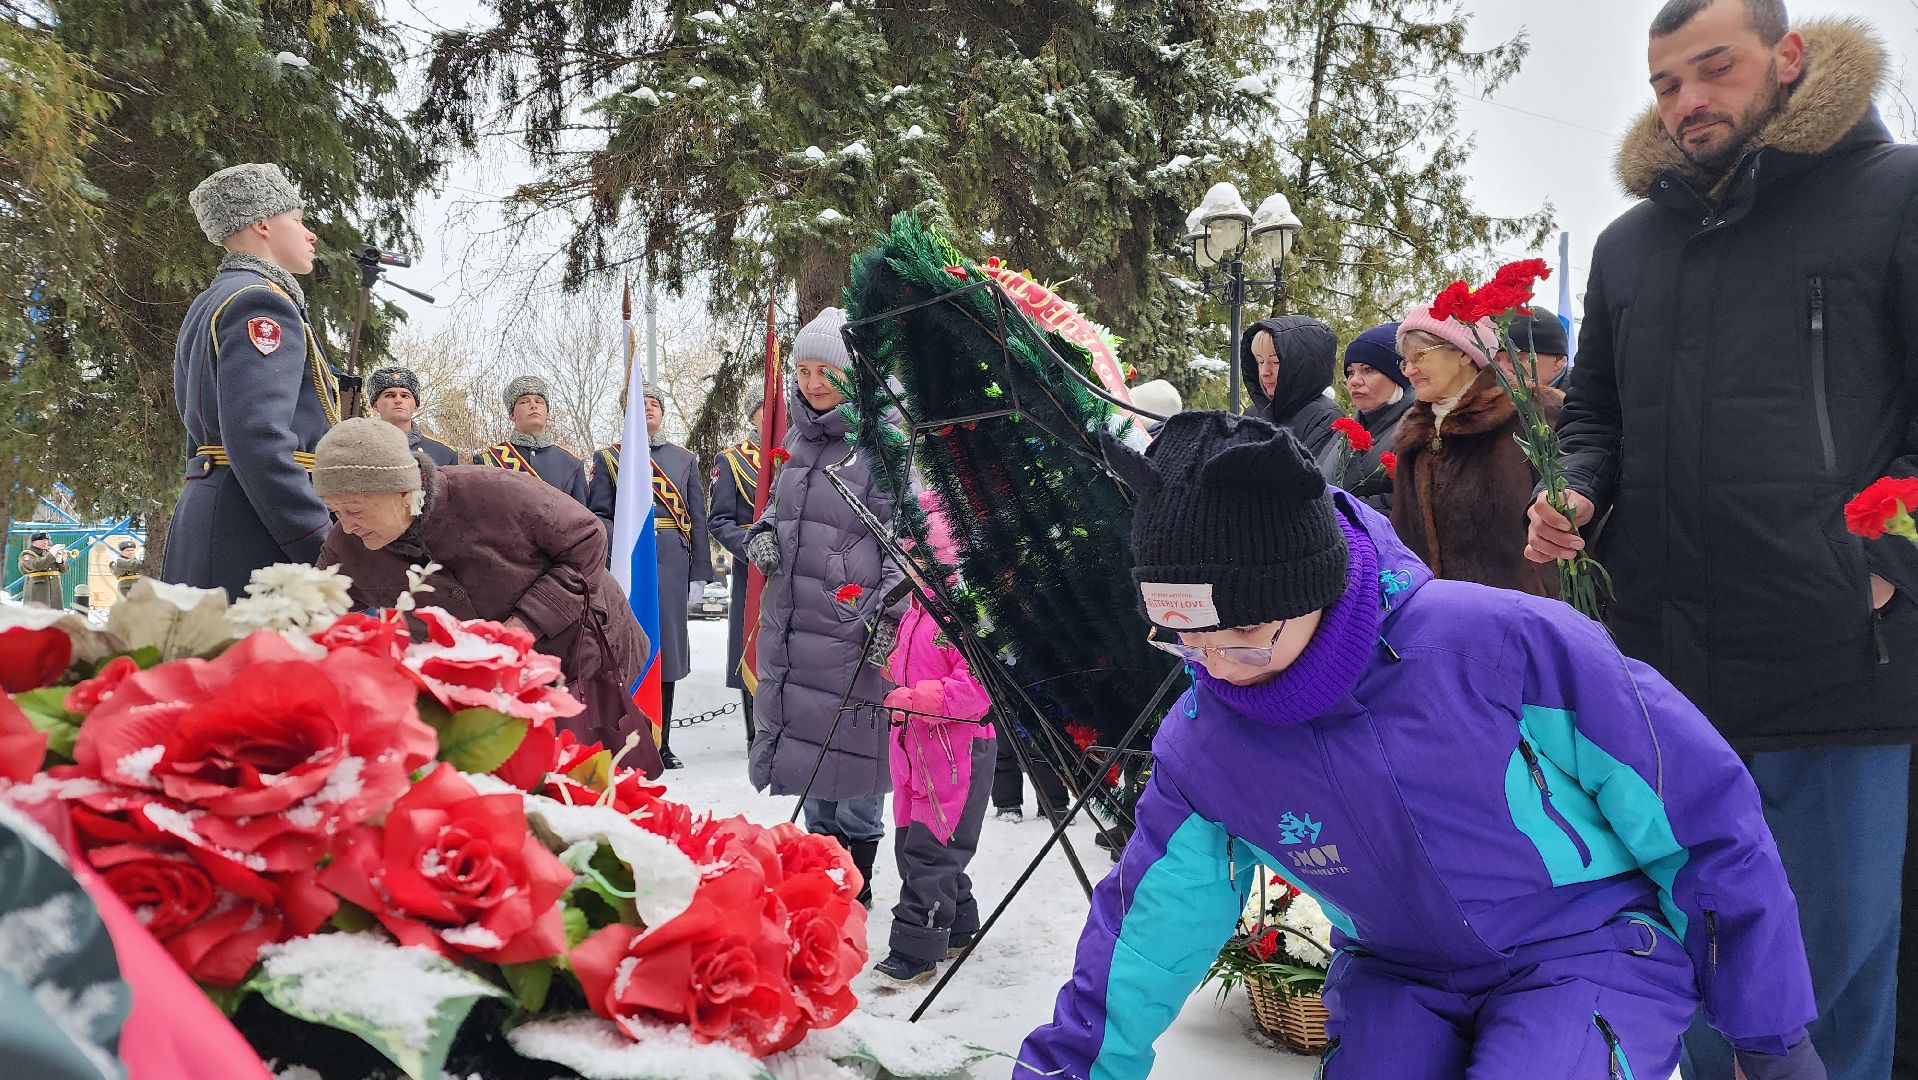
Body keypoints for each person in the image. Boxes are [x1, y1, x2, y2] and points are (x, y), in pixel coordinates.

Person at [1017, 411, 1823, 1080]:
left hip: (1586, 948)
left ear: (1314, 588)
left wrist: (1769, 1036)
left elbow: (1701, 816)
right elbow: (1148, 924)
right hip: (1398, 972)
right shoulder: (1209, 744)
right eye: (1186, 643)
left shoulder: (1508, 648)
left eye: (1246, 636)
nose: (1220, 668)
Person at [1521, 7, 1916, 1077]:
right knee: (1688, 974)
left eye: (1713, 68)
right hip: (1667, 685)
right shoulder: (1629, 245)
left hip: (1836, 675)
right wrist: (1580, 497)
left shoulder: (1894, 193)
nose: (1686, 99)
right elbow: (1592, 416)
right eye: (1662, 82)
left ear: (1786, 60)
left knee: (1827, 989)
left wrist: (1882, 567)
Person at [313, 418, 660, 775]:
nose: (346, 525)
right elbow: (312, 612)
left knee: (592, 780)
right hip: (489, 694)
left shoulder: (493, 491)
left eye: (353, 510)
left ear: (403, 492)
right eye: (335, 511)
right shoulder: (348, 546)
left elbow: (587, 538)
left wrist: (523, 626)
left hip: (582, 656)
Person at [746, 307, 901, 909]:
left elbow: (904, 539)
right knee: (808, 760)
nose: (813, 383)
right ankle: (821, 885)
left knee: (857, 767)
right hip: (794, 629)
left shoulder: (883, 443)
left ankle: (856, 888)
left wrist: (885, 618)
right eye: (804, 370)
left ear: (853, 374)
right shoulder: (797, 443)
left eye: (826, 372)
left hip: (852, 632)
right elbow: (781, 512)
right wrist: (762, 532)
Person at [161, 163, 339, 598]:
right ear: (262, 224)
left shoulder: (215, 298)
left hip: (217, 516)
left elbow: (205, 430)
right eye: (296, 220)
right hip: (258, 534)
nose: (310, 234)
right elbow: (259, 438)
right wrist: (320, 542)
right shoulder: (262, 303)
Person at [871, 491, 995, 986]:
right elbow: (910, 667)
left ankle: (915, 948)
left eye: (920, 556)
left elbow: (977, 689)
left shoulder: (965, 611)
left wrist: (916, 696)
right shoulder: (920, 609)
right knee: (919, 842)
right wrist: (888, 666)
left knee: (929, 851)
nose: (911, 566)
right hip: (914, 750)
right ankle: (960, 923)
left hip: (955, 751)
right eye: (908, 556)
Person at [1392, 305, 1561, 596]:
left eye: (1420, 355)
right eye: (1404, 361)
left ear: (1462, 353)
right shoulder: (1415, 430)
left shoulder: (1530, 411)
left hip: (1521, 617)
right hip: (1433, 618)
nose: (1409, 370)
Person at [588, 390, 711, 769]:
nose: (648, 410)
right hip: (627, 563)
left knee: (667, 651)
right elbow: (598, 514)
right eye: (640, 405)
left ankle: (663, 742)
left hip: (672, 563)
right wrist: (622, 539)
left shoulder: (683, 459)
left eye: (654, 405)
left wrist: (699, 572)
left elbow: (697, 518)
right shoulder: (609, 458)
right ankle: (628, 739)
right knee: (626, 648)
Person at [707, 388, 768, 747]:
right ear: (752, 415)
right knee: (752, 640)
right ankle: (755, 734)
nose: (771, 414)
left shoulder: (803, 453)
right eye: (763, 408)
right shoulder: (731, 461)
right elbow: (719, 520)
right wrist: (753, 548)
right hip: (753, 566)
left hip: (799, 563)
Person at [1317, 322, 1413, 510]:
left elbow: (1408, 504)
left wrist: (1343, 512)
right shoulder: (1346, 431)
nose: (1354, 381)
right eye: (1350, 372)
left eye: (1368, 370)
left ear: (1398, 375)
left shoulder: (1417, 427)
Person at [474, 376, 589, 504]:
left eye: (539, 401)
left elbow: (584, 520)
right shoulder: (489, 461)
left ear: (547, 414)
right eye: (524, 402)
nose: (533, 405)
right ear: (512, 414)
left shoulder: (572, 464)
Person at [1239, 315, 1341, 459]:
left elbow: (1310, 476)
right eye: (1260, 362)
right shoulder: (1253, 412)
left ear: (1302, 365)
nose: (1264, 372)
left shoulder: (1325, 417)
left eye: (1275, 361)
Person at [367, 366, 460, 466]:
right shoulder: (358, 447)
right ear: (375, 405)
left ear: (415, 405)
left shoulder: (445, 454)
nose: (398, 400)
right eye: (390, 395)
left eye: (405, 396)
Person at [1496, 311, 1571, 390]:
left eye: (1516, 359)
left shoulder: (1582, 397)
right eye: (1495, 361)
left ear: (1558, 360)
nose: (1502, 369)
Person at [16, 533, 70, 609]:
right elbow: (36, 565)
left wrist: (60, 560)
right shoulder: (28, 554)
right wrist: (51, 555)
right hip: (38, 590)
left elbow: (65, 570)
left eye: (46, 540)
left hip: (54, 589)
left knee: (55, 614)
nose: (45, 542)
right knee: (38, 613)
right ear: (34, 542)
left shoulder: (49, 553)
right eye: (42, 540)